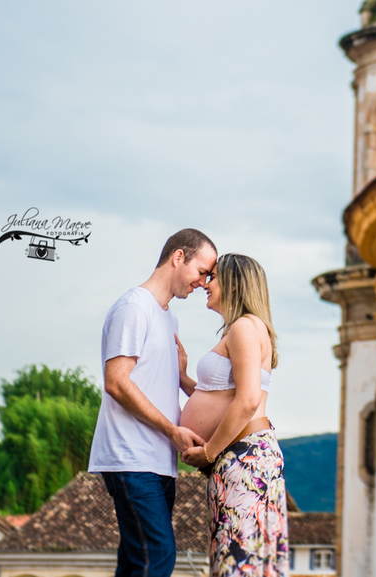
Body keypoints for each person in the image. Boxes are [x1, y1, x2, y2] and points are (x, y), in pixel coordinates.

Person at [89, 228, 217, 577]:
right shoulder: (134, 307)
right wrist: (171, 430)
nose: (204, 282)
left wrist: (181, 375)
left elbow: (152, 381)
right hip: (131, 457)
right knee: (158, 557)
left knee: (136, 563)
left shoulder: (167, 316)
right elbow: (116, 382)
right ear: (178, 257)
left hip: (159, 460)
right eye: (202, 271)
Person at [178, 253, 288, 577]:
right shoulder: (247, 328)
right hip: (245, 458)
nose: (205, 285)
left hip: (243, 459)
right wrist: (185, 380)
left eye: (213, 277)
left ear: (235, 282)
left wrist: (208, 453)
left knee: (237, 563)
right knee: (245, 561)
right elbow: (223, 396)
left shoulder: (242, 327)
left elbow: (248, 400)